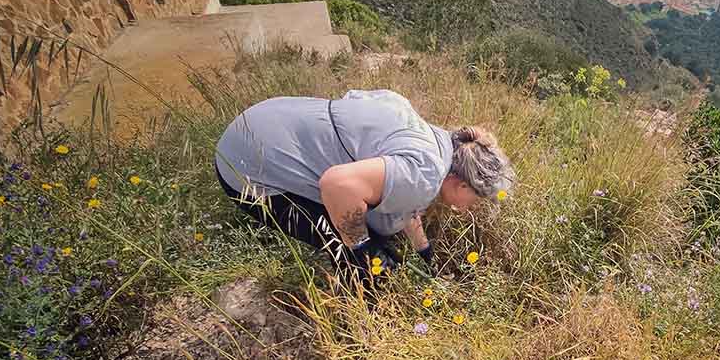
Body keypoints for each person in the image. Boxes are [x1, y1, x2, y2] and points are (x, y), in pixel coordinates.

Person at [214, 89, 513, 280]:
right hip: (248, 168)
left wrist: (425, 254)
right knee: (368, 270)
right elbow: (336, 185)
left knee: (380, 243)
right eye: (475, 199)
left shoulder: (432, 140)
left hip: (263, 119)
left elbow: (405, 201)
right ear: (460, 184)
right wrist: (361, 249)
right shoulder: (427, 174)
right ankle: (357, 323)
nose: (467, 208)